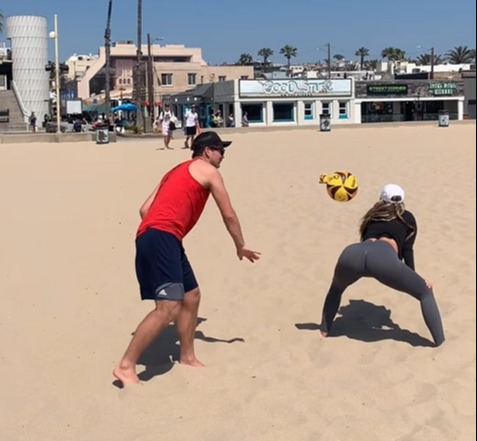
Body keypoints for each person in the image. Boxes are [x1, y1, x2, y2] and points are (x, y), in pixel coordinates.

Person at [113, 131, 261, 386]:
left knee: (191, 296)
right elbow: (229, 215)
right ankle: (126, 365)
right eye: (220, 150)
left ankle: (187, 356)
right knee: (168, 306)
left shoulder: (175, 170)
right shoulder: (209, 172)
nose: (223, 155)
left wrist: (160, 232)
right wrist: (241, 246)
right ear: (206, 152)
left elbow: (144, 209)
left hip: (159, 236)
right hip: (163, 237)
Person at [320, 184, 445, 347]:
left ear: (381, 199)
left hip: (353, 253)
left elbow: (365, 243)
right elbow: (407, 250)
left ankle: (324, 331)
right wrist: (413, 275)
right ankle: (440, 341)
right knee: (425, 292)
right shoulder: (407, 218)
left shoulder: (371, 216)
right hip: (382, 259)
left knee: (336, 289)